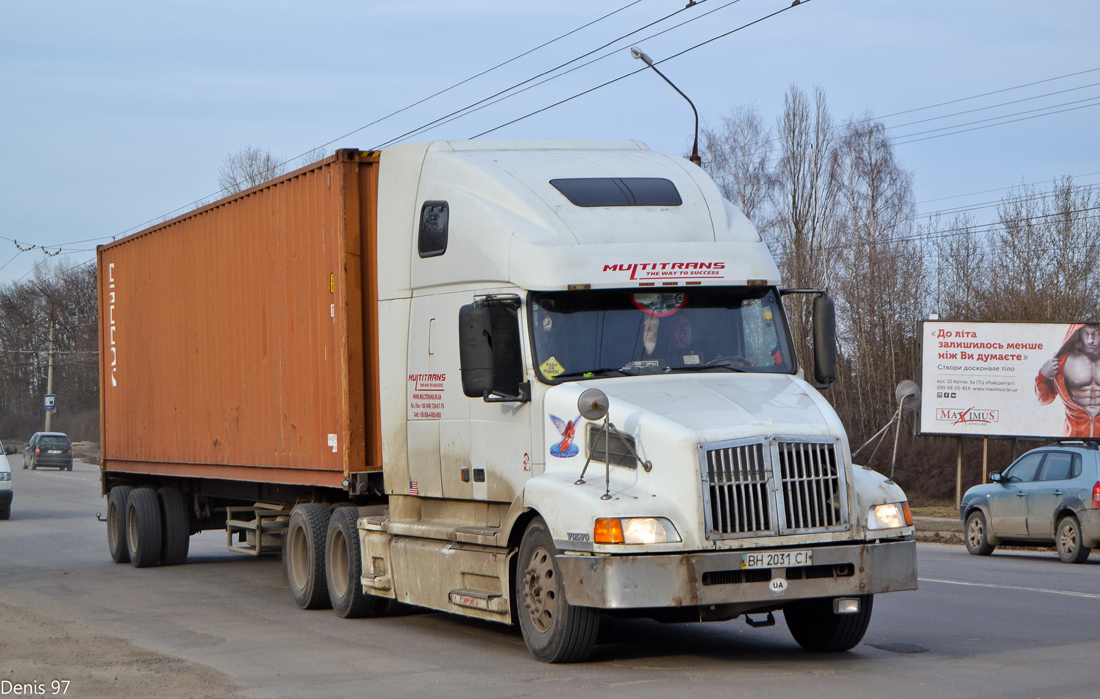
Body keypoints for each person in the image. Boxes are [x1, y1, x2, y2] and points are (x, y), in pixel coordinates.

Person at [1036, 323, 1100, 438]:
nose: (1091, 340)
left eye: (1097, 333)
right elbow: (1044, 400)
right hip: (1074, 437)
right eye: (1086, 333)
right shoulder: (1061, 363)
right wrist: (1042, 377)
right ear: (1079, 333)